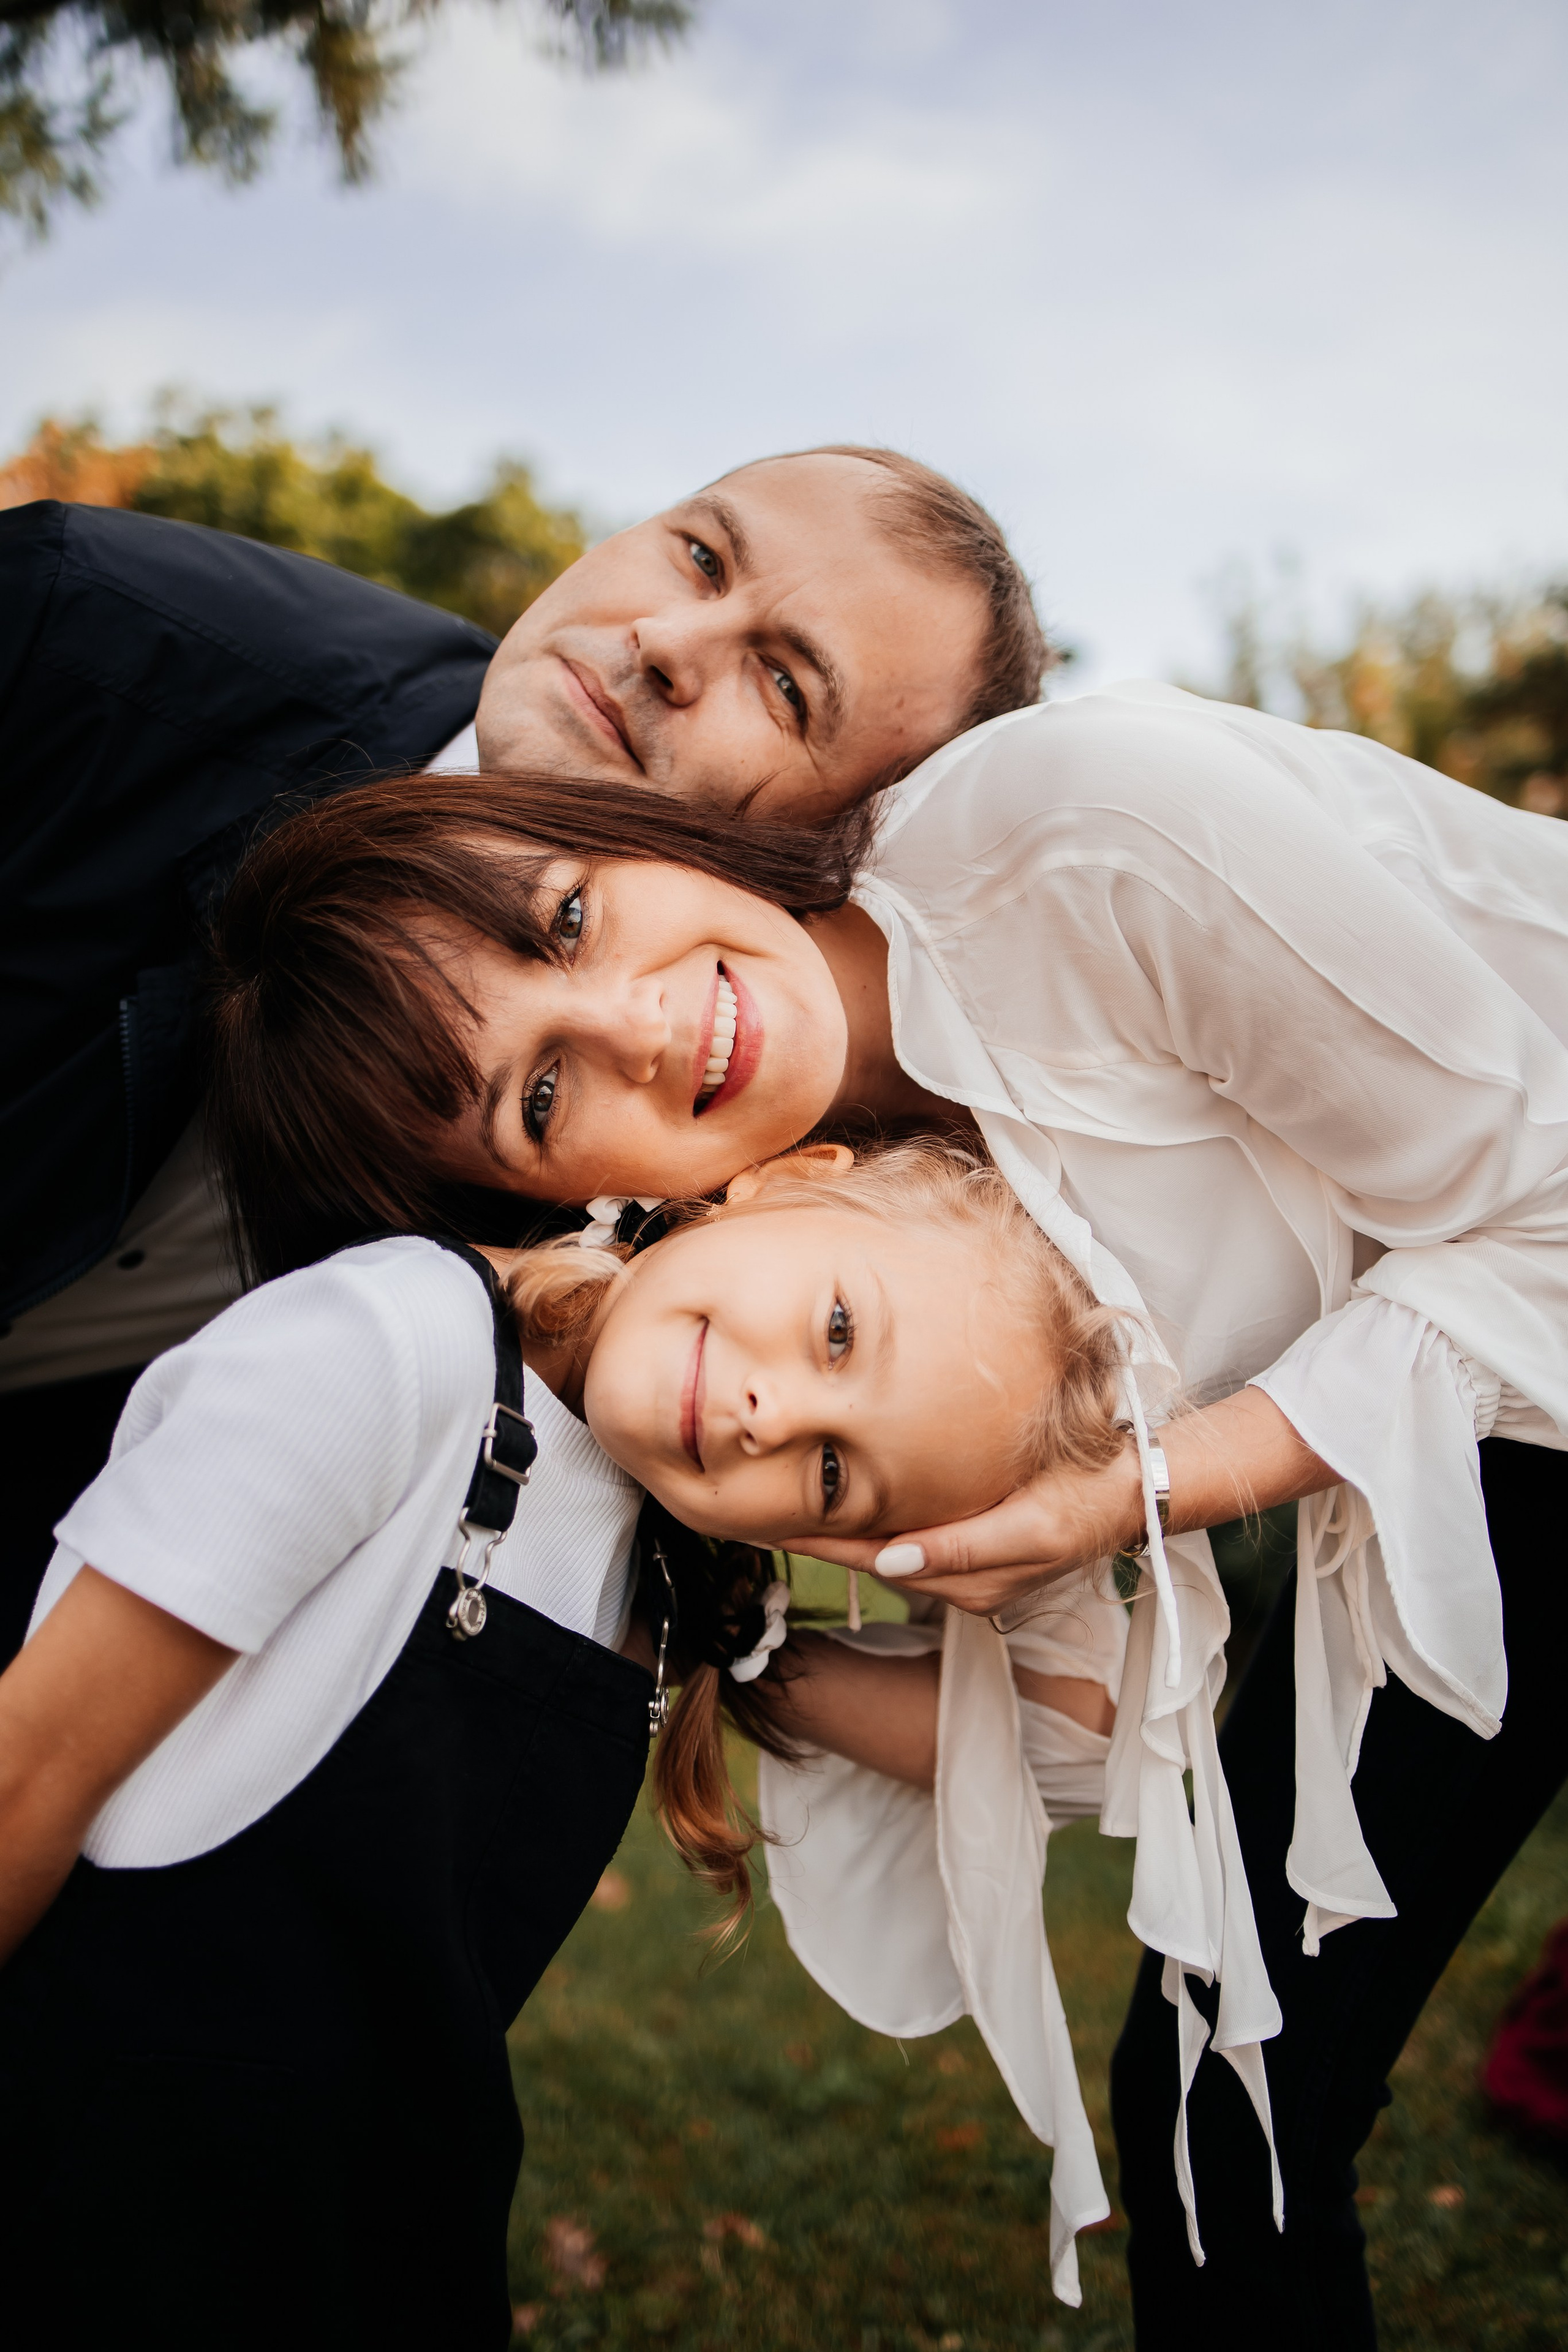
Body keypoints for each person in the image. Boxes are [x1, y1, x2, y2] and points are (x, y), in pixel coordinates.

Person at [206, 693, 1568, 2345]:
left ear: (615, 832)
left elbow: (1550, 1209)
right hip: (1466, 1412)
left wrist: (1151, 1486)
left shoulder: (1077, 832)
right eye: (542, 1095)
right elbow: (1085, 1734)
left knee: (1234, 2097)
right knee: (1224, 2095)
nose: (642, 1026)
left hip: (1531, 1308)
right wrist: (744, 1635)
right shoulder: (844, 1299)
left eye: (565, 918)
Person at [0, 1134, 1125, 2343]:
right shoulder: (397, 1344)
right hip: (94, 2219)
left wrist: (1091, 1508)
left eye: (836, 1474)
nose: (776, 1416)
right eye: (840, 1330)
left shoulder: (652, 1571)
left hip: (362, 2253)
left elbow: (1077, 1746)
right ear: (789, 1179)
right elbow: (28, 1775)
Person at [0, 445, 1042, 1654]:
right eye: (700, 556)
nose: (666, 640)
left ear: (834, 851)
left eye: (784, 686)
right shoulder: (89, 636)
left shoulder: (704, 1218)